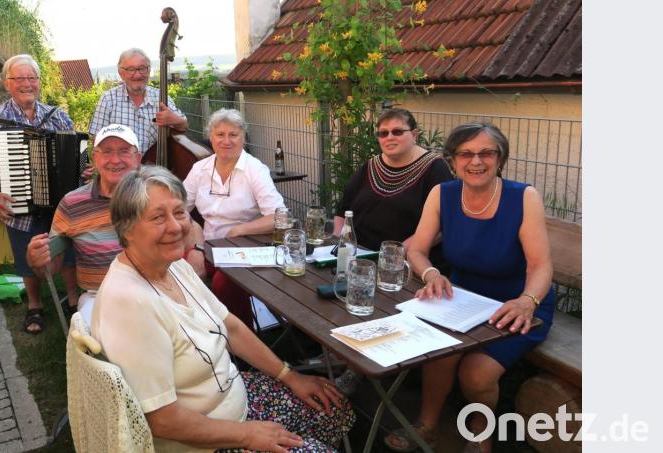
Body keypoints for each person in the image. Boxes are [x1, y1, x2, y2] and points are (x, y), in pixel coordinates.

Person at [92, 166, 354, 452]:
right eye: (157, 217)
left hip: (233, 399)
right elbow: (162, 420)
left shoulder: (175, 266)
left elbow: (231, 327)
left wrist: (290, 376)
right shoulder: (130, 304)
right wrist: (246, 435)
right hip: (204, 442)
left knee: (333, 408)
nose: (176, 226)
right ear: (127, 229)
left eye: (179, 212)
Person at [386, 122, 554, 452]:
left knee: (475, 375)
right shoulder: (443, 194)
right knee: (437, 353)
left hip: (516, 303)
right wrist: (432, 274)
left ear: (500, 158)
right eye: (465, 154)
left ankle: (480, 434)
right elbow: (417, 249)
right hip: (460, 298)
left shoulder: (524, 197)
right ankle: (428, 425)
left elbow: (540, 265)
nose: (476, 161)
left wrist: (528, 300)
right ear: (453, 161)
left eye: (486, 153)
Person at [25, 124, 205, 325]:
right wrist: (38, 260)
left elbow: (190, 226)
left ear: (138, 158)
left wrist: (197, 250)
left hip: (160, 285)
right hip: (101, 295)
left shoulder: (156, 193)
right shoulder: (72, 204)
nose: (115, 160)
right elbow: (51, 267)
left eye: (124, 151)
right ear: (95, 158)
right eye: (107, 151)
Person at [0, 54, 78, 334]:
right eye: (20, 78)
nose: (27, 84)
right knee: (26, 253)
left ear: (38, 82)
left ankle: (74, 301)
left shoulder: (57, 115)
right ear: (7, 83)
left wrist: (80, 169)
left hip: (57, 203)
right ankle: (35, 306)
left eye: (32, 78)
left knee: (68, 249)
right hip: (20, 201)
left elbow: (75, 153)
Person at [183, 108, 286, 328]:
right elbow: (178, 210)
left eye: (233, 135)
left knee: (224, 283)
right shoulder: (199, 169)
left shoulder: (255, 170)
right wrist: (196, 245)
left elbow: (280, 217)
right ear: (210, 137)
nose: (226, 141)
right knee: (178, 269)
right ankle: (196, 331)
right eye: (220, 135)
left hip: (246, 251)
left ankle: (240, 342)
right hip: (208, 248)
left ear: (243, 138)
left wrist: (240, 230)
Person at [333, 108, 453, 263]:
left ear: (414, 134)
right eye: (383, 133)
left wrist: (395, 254)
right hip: (358, 257)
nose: (389, 137)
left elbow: (442, 225)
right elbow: (343, 211)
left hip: (405, 263)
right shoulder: (370, 166)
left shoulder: (435, 168)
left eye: (397, 132)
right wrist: (338, 242)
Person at [88, 48, 188, 155]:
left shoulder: (161, 97)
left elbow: (184, 126)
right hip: (121, 168)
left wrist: (176, 120)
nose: (137, 75)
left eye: (142, 68)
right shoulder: (108, 99)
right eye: (131, 69)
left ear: (149, 70)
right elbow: (96, 139)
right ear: (121, 73)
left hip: (153, 169)